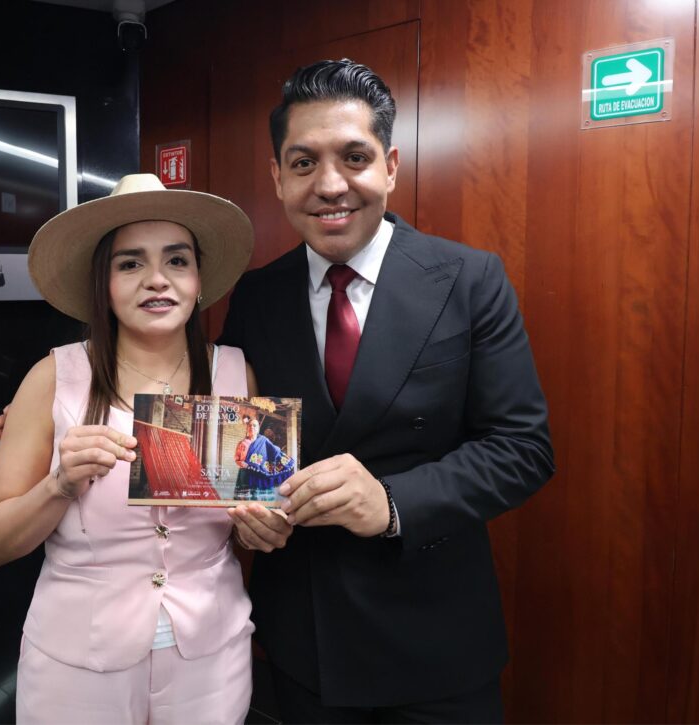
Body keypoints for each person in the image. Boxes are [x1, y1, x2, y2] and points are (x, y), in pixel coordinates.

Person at [217, 59, 555, 722]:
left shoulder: (470, 280)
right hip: (304, 640)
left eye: (354, 157)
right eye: (304, 163)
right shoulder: (256, 295)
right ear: (277, 177)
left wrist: (393, 502)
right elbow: (243, 440)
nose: (330, 185)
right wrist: (248, 511)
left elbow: (523, 448)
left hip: (435, 642)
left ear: (391, 166)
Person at [0, 173, 286, 724]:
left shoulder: (236, 374)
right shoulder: (54, 378)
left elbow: (249, 517)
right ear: (104, 282)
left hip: (212, 659)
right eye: (130, 263)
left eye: (177, 260)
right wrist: (58, 485)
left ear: (198, 277)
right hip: (77, 664)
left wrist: (265, 527)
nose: (156, 280)